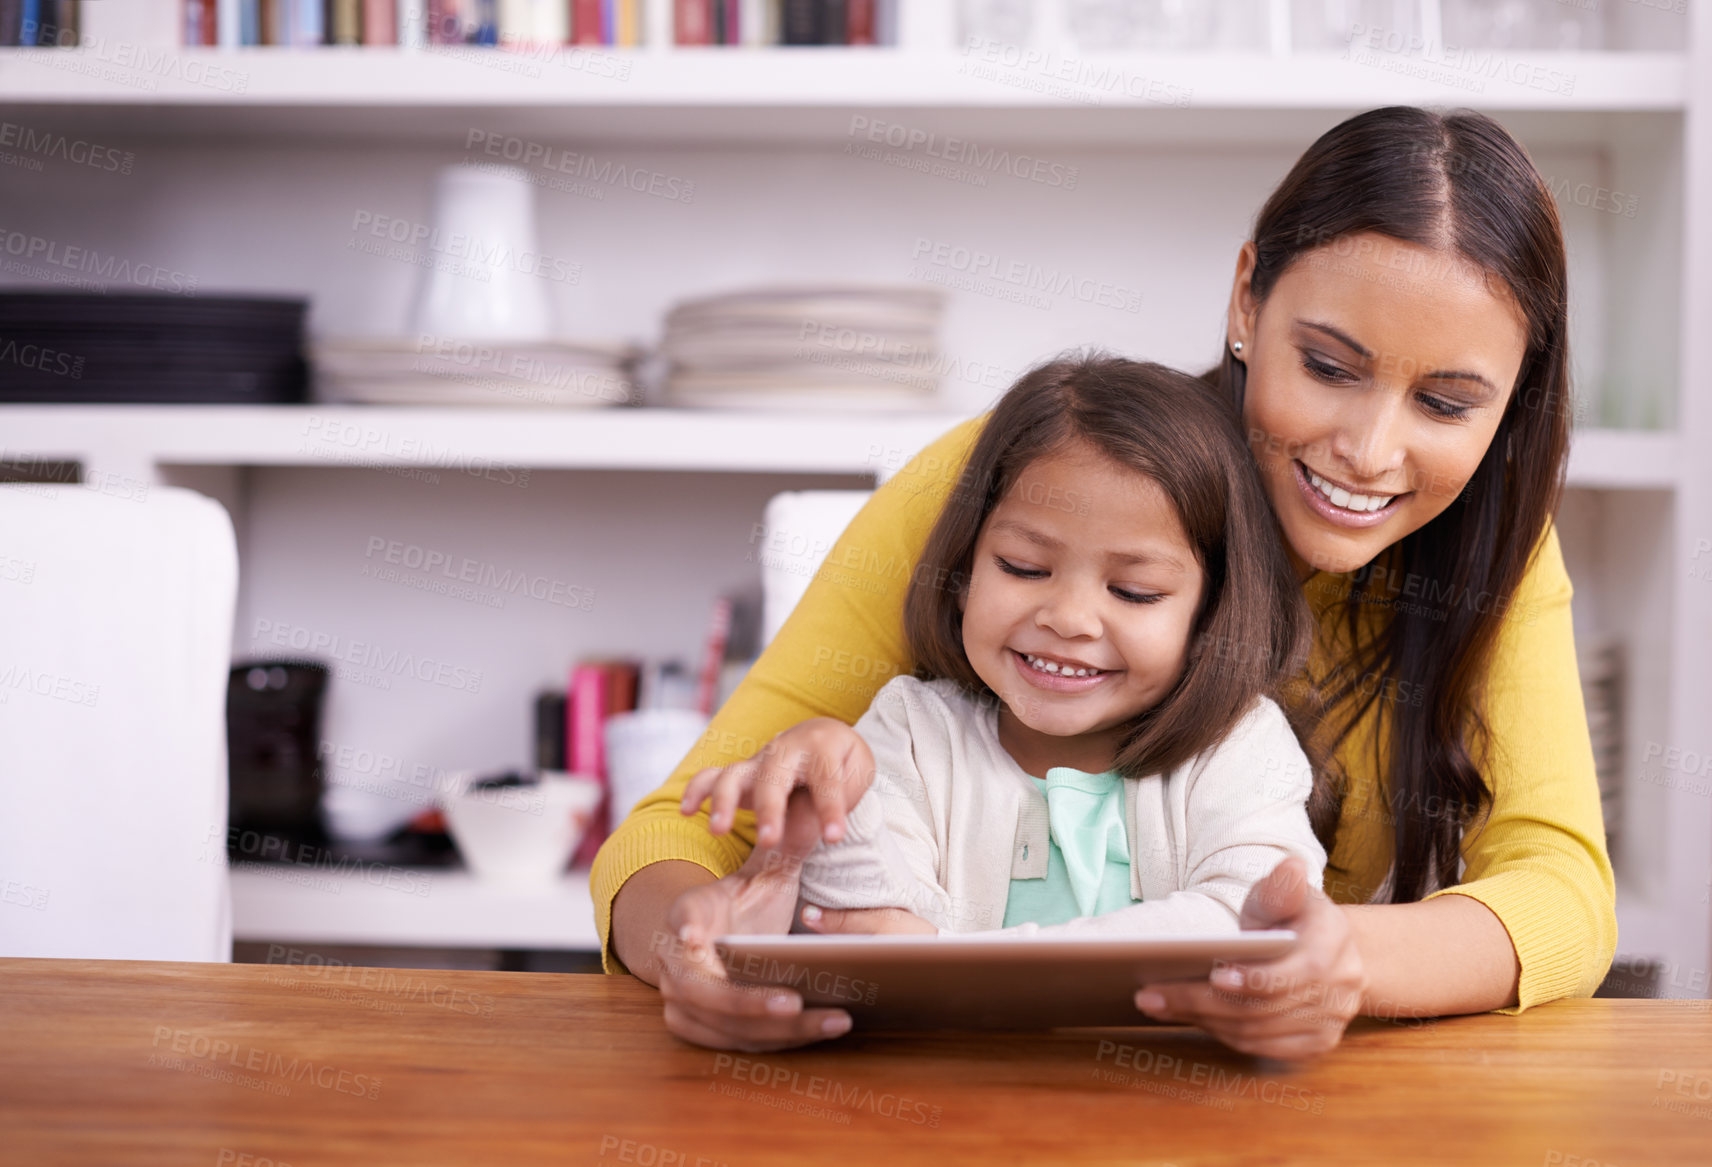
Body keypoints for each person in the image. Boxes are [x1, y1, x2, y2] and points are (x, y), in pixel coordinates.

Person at [592, 106, 1617, 1058]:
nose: (1366, 449)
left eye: (1443, 404)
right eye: (1329, 367)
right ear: (1246, 298)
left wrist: (1334, 962)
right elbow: (675, 833)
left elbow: (1564, 895)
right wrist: (687, 947)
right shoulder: (1015, 484)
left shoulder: (1491, 558)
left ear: (1509, 402)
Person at [679, 356, 1326, 954]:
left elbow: (1248, 921)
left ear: (1211, 610)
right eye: (1022, 567)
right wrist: (825, 803)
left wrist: (956, 953)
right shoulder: (912, 730)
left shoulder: (1240, 745)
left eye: (1134, 591)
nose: (1068, 619)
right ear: (964, 568)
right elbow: (858, 925)